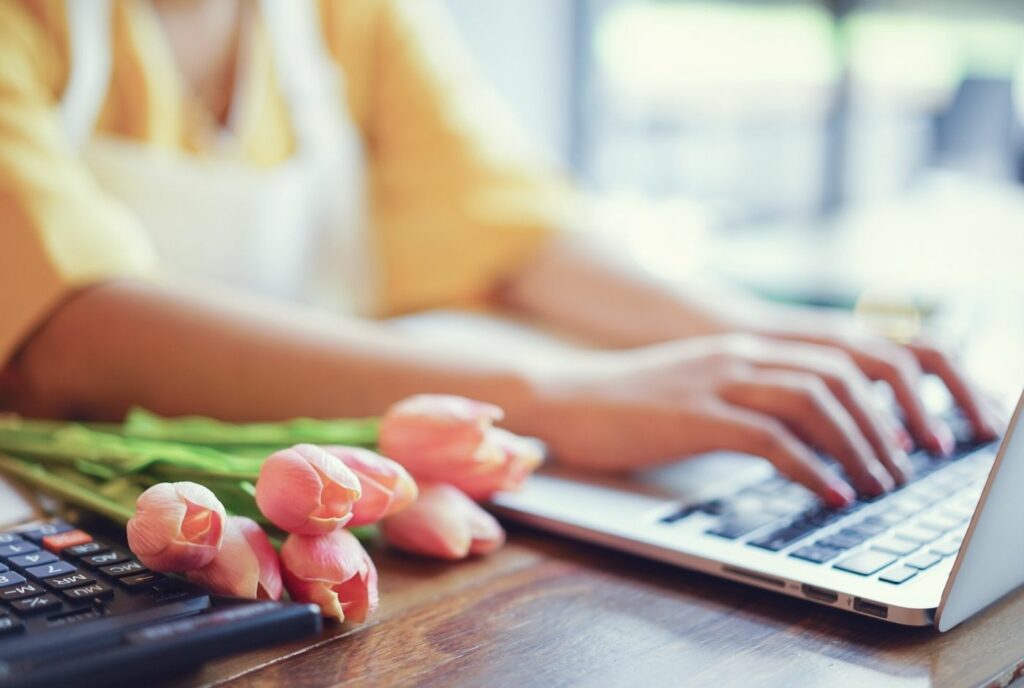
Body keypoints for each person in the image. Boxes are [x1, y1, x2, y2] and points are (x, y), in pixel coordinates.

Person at [0, 0, 1002, 509]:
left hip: (323, 512)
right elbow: (70, 333)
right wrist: (561, 395)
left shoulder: (341, 16)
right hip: (84, 544)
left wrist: (774, 339)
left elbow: (511, 228)